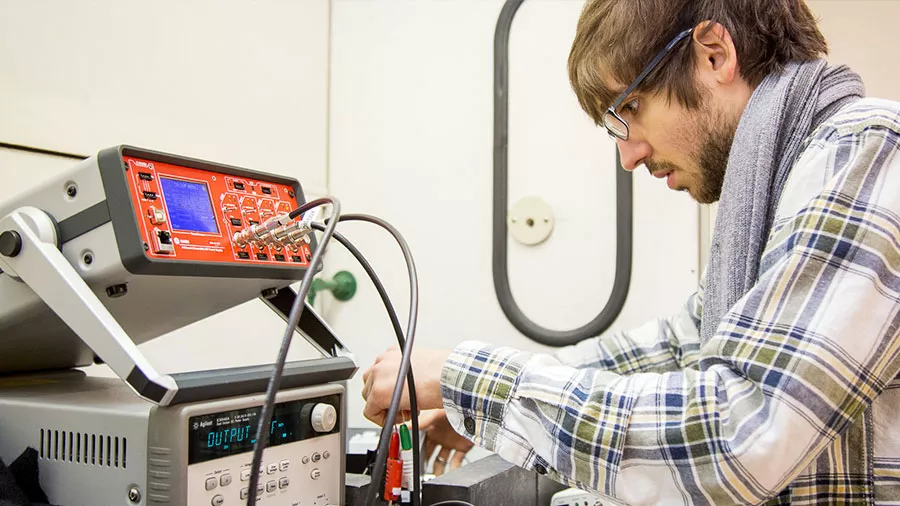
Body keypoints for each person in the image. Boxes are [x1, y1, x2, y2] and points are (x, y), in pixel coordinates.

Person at [362, 0, 900, 503]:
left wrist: (466, 378)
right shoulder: (775, 192)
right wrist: (471, 407)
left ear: (715, 54)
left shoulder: (865, 154)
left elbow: (742, 435)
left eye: (630, 109)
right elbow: (675, 346)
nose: (629, 154)